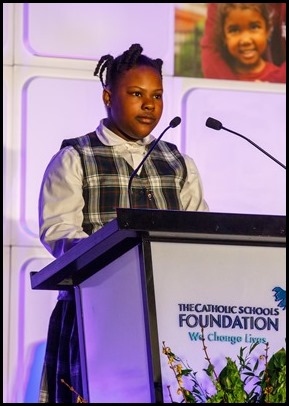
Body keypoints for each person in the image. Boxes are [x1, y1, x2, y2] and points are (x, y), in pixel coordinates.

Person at [38, 43, 209, 403]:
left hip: (167, 309)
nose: (149, 104)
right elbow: (59, 231)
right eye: (136, 94)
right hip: (96, 311)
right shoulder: (75, 157)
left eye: (157, 96)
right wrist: (113, 255)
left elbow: (200, 231)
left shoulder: (178, 162)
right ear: (107, 96)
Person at [201, 3, 286, 83]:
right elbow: (210, 48)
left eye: (254, 27)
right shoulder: (221, 79)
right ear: (223, 36)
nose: (246, 40)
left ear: (267, 31)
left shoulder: (277, 77)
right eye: (234, 30)